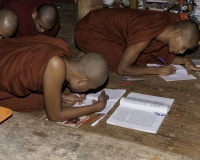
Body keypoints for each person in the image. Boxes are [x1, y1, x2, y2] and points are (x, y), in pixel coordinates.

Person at [0, 35, 109, 122]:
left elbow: (41, 75)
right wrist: (96, 107)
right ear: (82, 80)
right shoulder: (55, 66)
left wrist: (62, 96)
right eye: (89, 88)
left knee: (42, 100)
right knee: (38, 102)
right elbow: (55, 116)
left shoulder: (62, 48)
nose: (88, 91)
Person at [74, 8, 200, 76]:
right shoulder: (145, 34)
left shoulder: (167, 26)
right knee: (135, 61)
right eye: (184, 47)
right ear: (178, 34)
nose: (182, 52)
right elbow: (122, 70)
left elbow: (163, 54)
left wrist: (186, 61)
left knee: (143, 55)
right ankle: (89, 51)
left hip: (110, 30)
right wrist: (156, 70)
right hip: (90, 32)